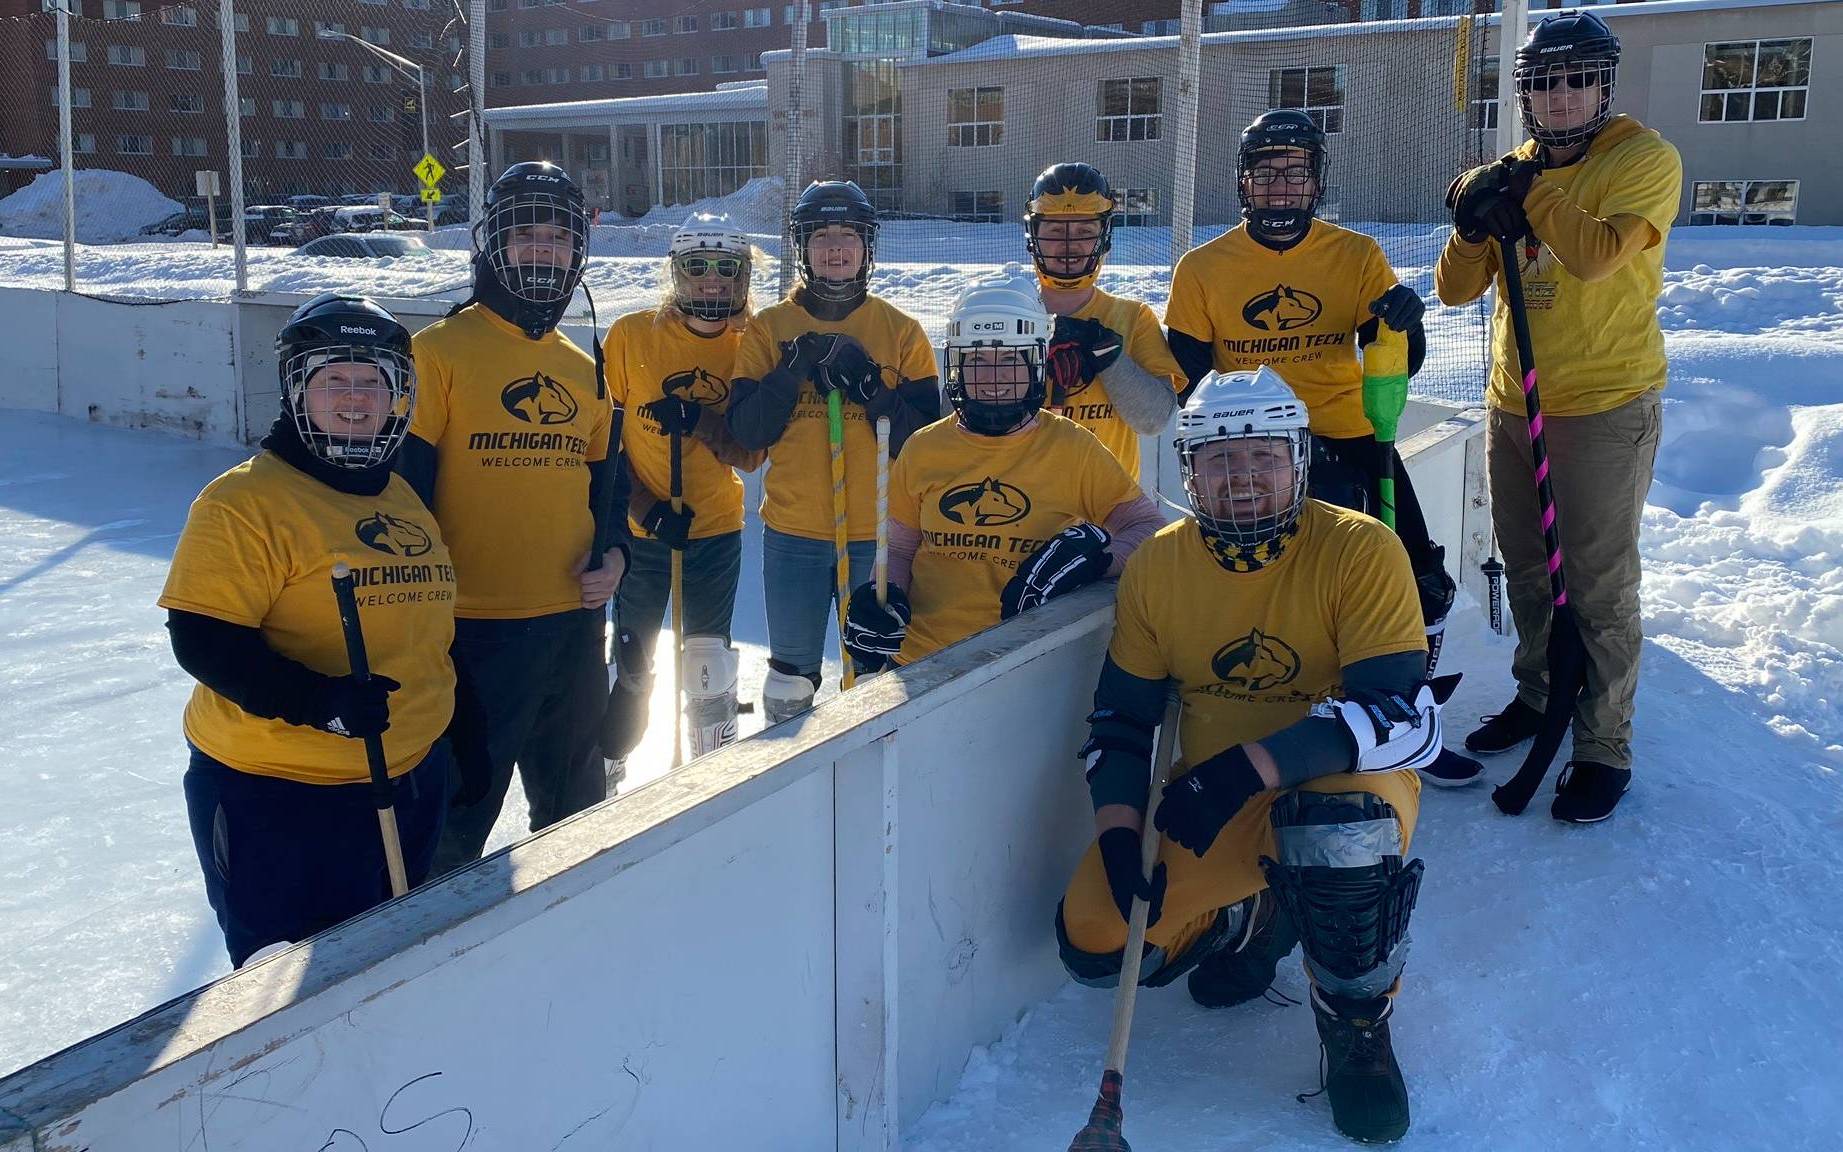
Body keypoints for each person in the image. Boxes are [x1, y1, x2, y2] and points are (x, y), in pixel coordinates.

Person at [1054, 367, 1450, 1144]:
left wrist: (1244, 769)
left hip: (1338, 786)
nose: (1241, 476)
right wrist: (1117, 832)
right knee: (1097, 943)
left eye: (1262, 455)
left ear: (1297, 460)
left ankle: (1355, 1027)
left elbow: (1396, 712)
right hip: (1211, 800)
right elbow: (1121, 721)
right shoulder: (1160, 567)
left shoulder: (1359, 547)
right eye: (1218, 459)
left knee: (1334, 830)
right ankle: (1258, 914)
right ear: (1189, 471)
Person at [1164, 108, 1476, 786]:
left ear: (1315, 181)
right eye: (1266, 173)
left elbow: (1395, 362)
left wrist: (1405, 326)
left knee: (1416, 574)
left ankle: (1407, 718)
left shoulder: (1354, 254)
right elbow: (1187, 379)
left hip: (1349, 431)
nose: (1280, 187)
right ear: (1243, 183)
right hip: (1250, 443)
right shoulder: (1201, 268)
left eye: (1295, 173)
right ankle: (1287, 722)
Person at [161, 295, 458, 967]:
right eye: (334, 380)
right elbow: (205, 640)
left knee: (386, 969)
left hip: (405, 780)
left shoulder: (398, 495)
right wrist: (319, 704)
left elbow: (424, 632)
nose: (355, 398)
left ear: (397, 396)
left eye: (371, 381)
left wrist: (453, 727)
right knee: (287, 993)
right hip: (278, 795)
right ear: (298, 389)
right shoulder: (242, 503)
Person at [1438, 10, 1679, 823]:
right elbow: (1453, 287)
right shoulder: (1512, 169)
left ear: (1602, 85)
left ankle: (1601, 740)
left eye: (1578, 78)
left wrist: (1527, 193)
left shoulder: (1641, 159)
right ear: (1526, 93)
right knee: (1530, 570)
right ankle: (1540, 695)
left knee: (1599, 586)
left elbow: (1596, 254)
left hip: (1605, 404)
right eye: (1545, 80)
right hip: (1515, 402)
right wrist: (1473, 220)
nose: (1563, 95)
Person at [399, 162, 629, 873]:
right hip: (471, 634)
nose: (542, 250)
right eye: (524, 233)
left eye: (558, 237)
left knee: (575, 813)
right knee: (454, 831)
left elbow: (607, 490)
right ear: (490, 243)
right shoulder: (436, 352)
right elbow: (402, 494)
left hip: (571, 628)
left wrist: (615, 556)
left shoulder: (583, 360)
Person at [841, 278, 1164, 673]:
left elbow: (1148, 529)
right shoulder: (923, 447)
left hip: (1024, 663)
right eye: (977, 360)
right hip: (921, 664)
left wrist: (1095, 561)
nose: (993, 377)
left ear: (1036, 362)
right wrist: (885, 597)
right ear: (957, 364)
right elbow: (902, 549)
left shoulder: (1074, 447)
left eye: (1011, 359)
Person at [725, 180, 941, 724]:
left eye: (849, 235)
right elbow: (748, 432)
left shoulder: (901, 331)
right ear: (803, 247)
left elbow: (926, 450)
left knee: (873, 673)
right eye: (822, 236)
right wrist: (790, 370)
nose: (836, 247)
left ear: (868, 246)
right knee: (789, 679)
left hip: (879, 537)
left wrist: (872, 390)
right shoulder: (770, 329)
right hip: (793, 534)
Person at [599, 218, 765, 782]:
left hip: (714, 529)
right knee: (633, 660)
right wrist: (644, 508)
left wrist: (700, 420)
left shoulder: (753, 342)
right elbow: (602, 444)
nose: (711, 282)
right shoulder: (630, 335)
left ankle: (710, 777)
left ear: (744, 278)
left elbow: (750, 453)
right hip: (641, 537)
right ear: (677, 276)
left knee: (706, 661)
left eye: (727, 269)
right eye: (698, 268)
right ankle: (609, 764)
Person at [1022, 163, 1185, 485]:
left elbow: (1152, 420)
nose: (1070, 244)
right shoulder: (1007, 311)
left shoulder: (1133, 317)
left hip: (1109, 514)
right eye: (1056, 231)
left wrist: (1108, 355)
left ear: (1103, 236)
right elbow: (956, 418)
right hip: (1024, 509)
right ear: (1034, 235)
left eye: (1084, 231)